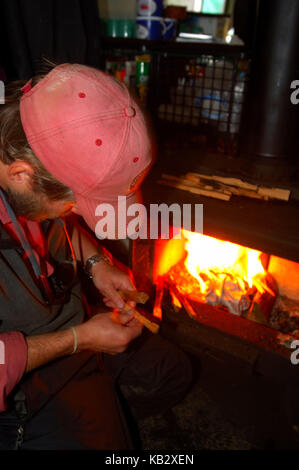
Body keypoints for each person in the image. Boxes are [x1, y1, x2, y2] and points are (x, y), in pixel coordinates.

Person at [0, 63, 192, 450]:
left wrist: (96, 263)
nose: (73, 214)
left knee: (172, 372)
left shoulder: (27, 170)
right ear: (22, 174)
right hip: (20, 381)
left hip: (76, 339)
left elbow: (55, 218)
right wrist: (79, 339)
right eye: (76, 204)